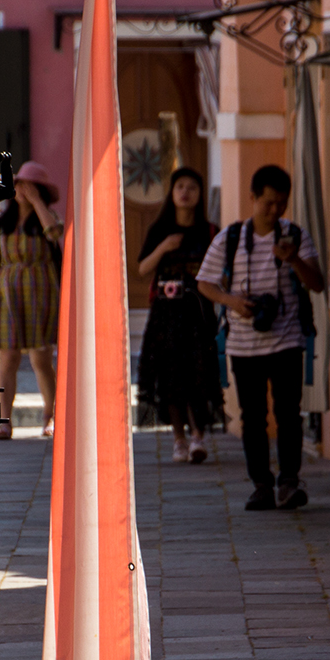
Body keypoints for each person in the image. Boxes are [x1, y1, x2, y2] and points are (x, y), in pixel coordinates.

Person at [196, 164, 324, 510]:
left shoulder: (295, 236)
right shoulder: (231, 238)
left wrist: (294, 259)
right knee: (252, 417)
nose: (275, 210)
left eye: (281, 203)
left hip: (287, 340)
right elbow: (204, 283)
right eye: (268, 202)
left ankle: (289, 482)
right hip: (243, 343)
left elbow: (318, 283)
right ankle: (261, 485)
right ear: (252, 198)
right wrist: (233, 302)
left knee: (288, 412)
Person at [135, 167, 226, 463]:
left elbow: (222, 272)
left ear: (200, 195)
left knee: (198, 375)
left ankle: (198, 436)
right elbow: (142, 269)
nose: (186, 192)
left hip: (198, 313)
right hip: (166, 313)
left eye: (192, 188)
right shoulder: (159, 230)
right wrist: (163, 247)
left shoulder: (210, 232)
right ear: (172, 193)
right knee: (170, 376)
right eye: (180, 187)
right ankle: (179, 440)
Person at [0, 160, 62, 440]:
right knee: (7, 357)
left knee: (40, 359)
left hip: (39, 292)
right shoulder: (3, 219)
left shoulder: (46, 217)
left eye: (30, 186)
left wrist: (36, 202)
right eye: (21, 185)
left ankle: (51, 415)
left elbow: (55, 234)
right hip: (9, 293)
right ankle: (5, 420)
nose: (23, 190)